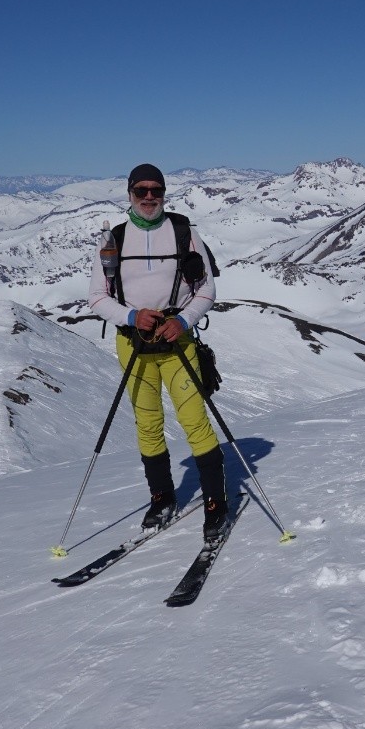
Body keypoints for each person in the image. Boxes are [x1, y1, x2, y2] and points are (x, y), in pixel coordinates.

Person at [87, 163, 228, 540]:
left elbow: (207, 291)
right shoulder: (113, 240)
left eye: (156, 190)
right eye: (141, 191)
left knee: (195, 419)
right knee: (147, 424)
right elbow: (97, 297)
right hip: (133, 342)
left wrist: (182, 321)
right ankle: (162, 495)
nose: (149, 197)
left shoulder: (185, 234)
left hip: (177, 340)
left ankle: (216, 501)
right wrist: (132, 316)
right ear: (129, 194)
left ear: (164, 193)